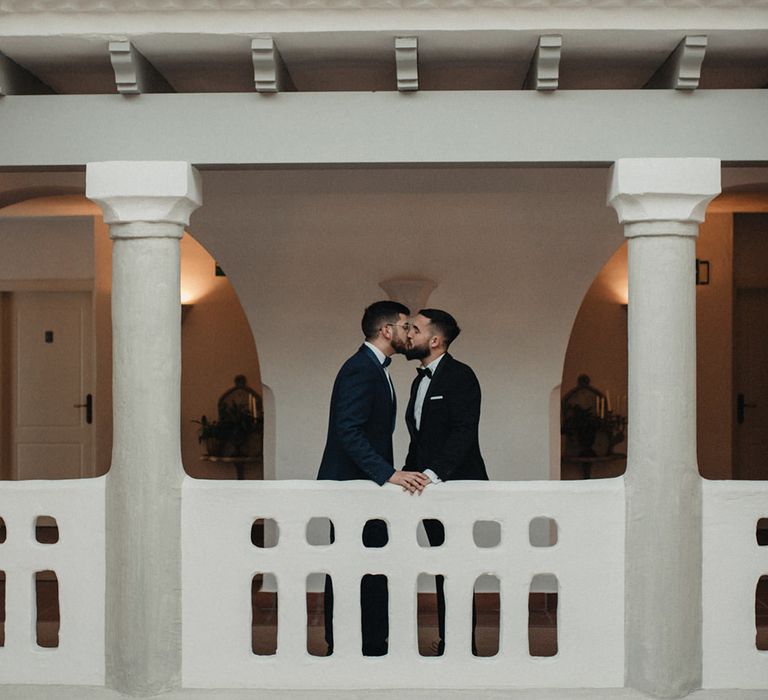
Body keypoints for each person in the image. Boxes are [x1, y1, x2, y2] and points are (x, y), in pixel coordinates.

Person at [317, 300, 431, 656]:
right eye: (404, 325)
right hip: (354, 490)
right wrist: (389, 474)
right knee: (350, 567)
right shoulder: (360, 369)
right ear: (386, 331)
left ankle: (370, 643)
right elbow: (347, 431)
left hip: (368, 490)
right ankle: (348, 644)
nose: (409, 332)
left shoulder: (374, 368)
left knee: (372, 566)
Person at [403, 308, 487, 655]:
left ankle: (463, 646)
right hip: (427, 490)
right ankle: (448, 641)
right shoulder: (418, 380)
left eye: (415, 329)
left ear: (435, 341)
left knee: (458, 568)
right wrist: (403, 476)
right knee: (440, 567)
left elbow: (463, 433)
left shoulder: (461, 376)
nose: (407, 334)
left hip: (457, 487)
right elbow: (419, 440)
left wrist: (432, 476)